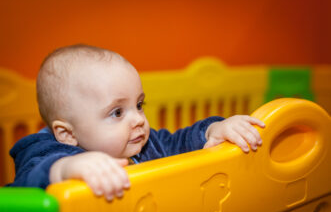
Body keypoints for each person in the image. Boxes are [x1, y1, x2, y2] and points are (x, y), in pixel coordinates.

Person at [8, 44, 265, 201]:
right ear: (66, 134)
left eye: (139, 105)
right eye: (117, 112)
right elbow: (28, 181)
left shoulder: (147, 144)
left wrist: (214, 129)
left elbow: (179, 142)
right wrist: (67, 168)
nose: (138, 120)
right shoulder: (48, 151)